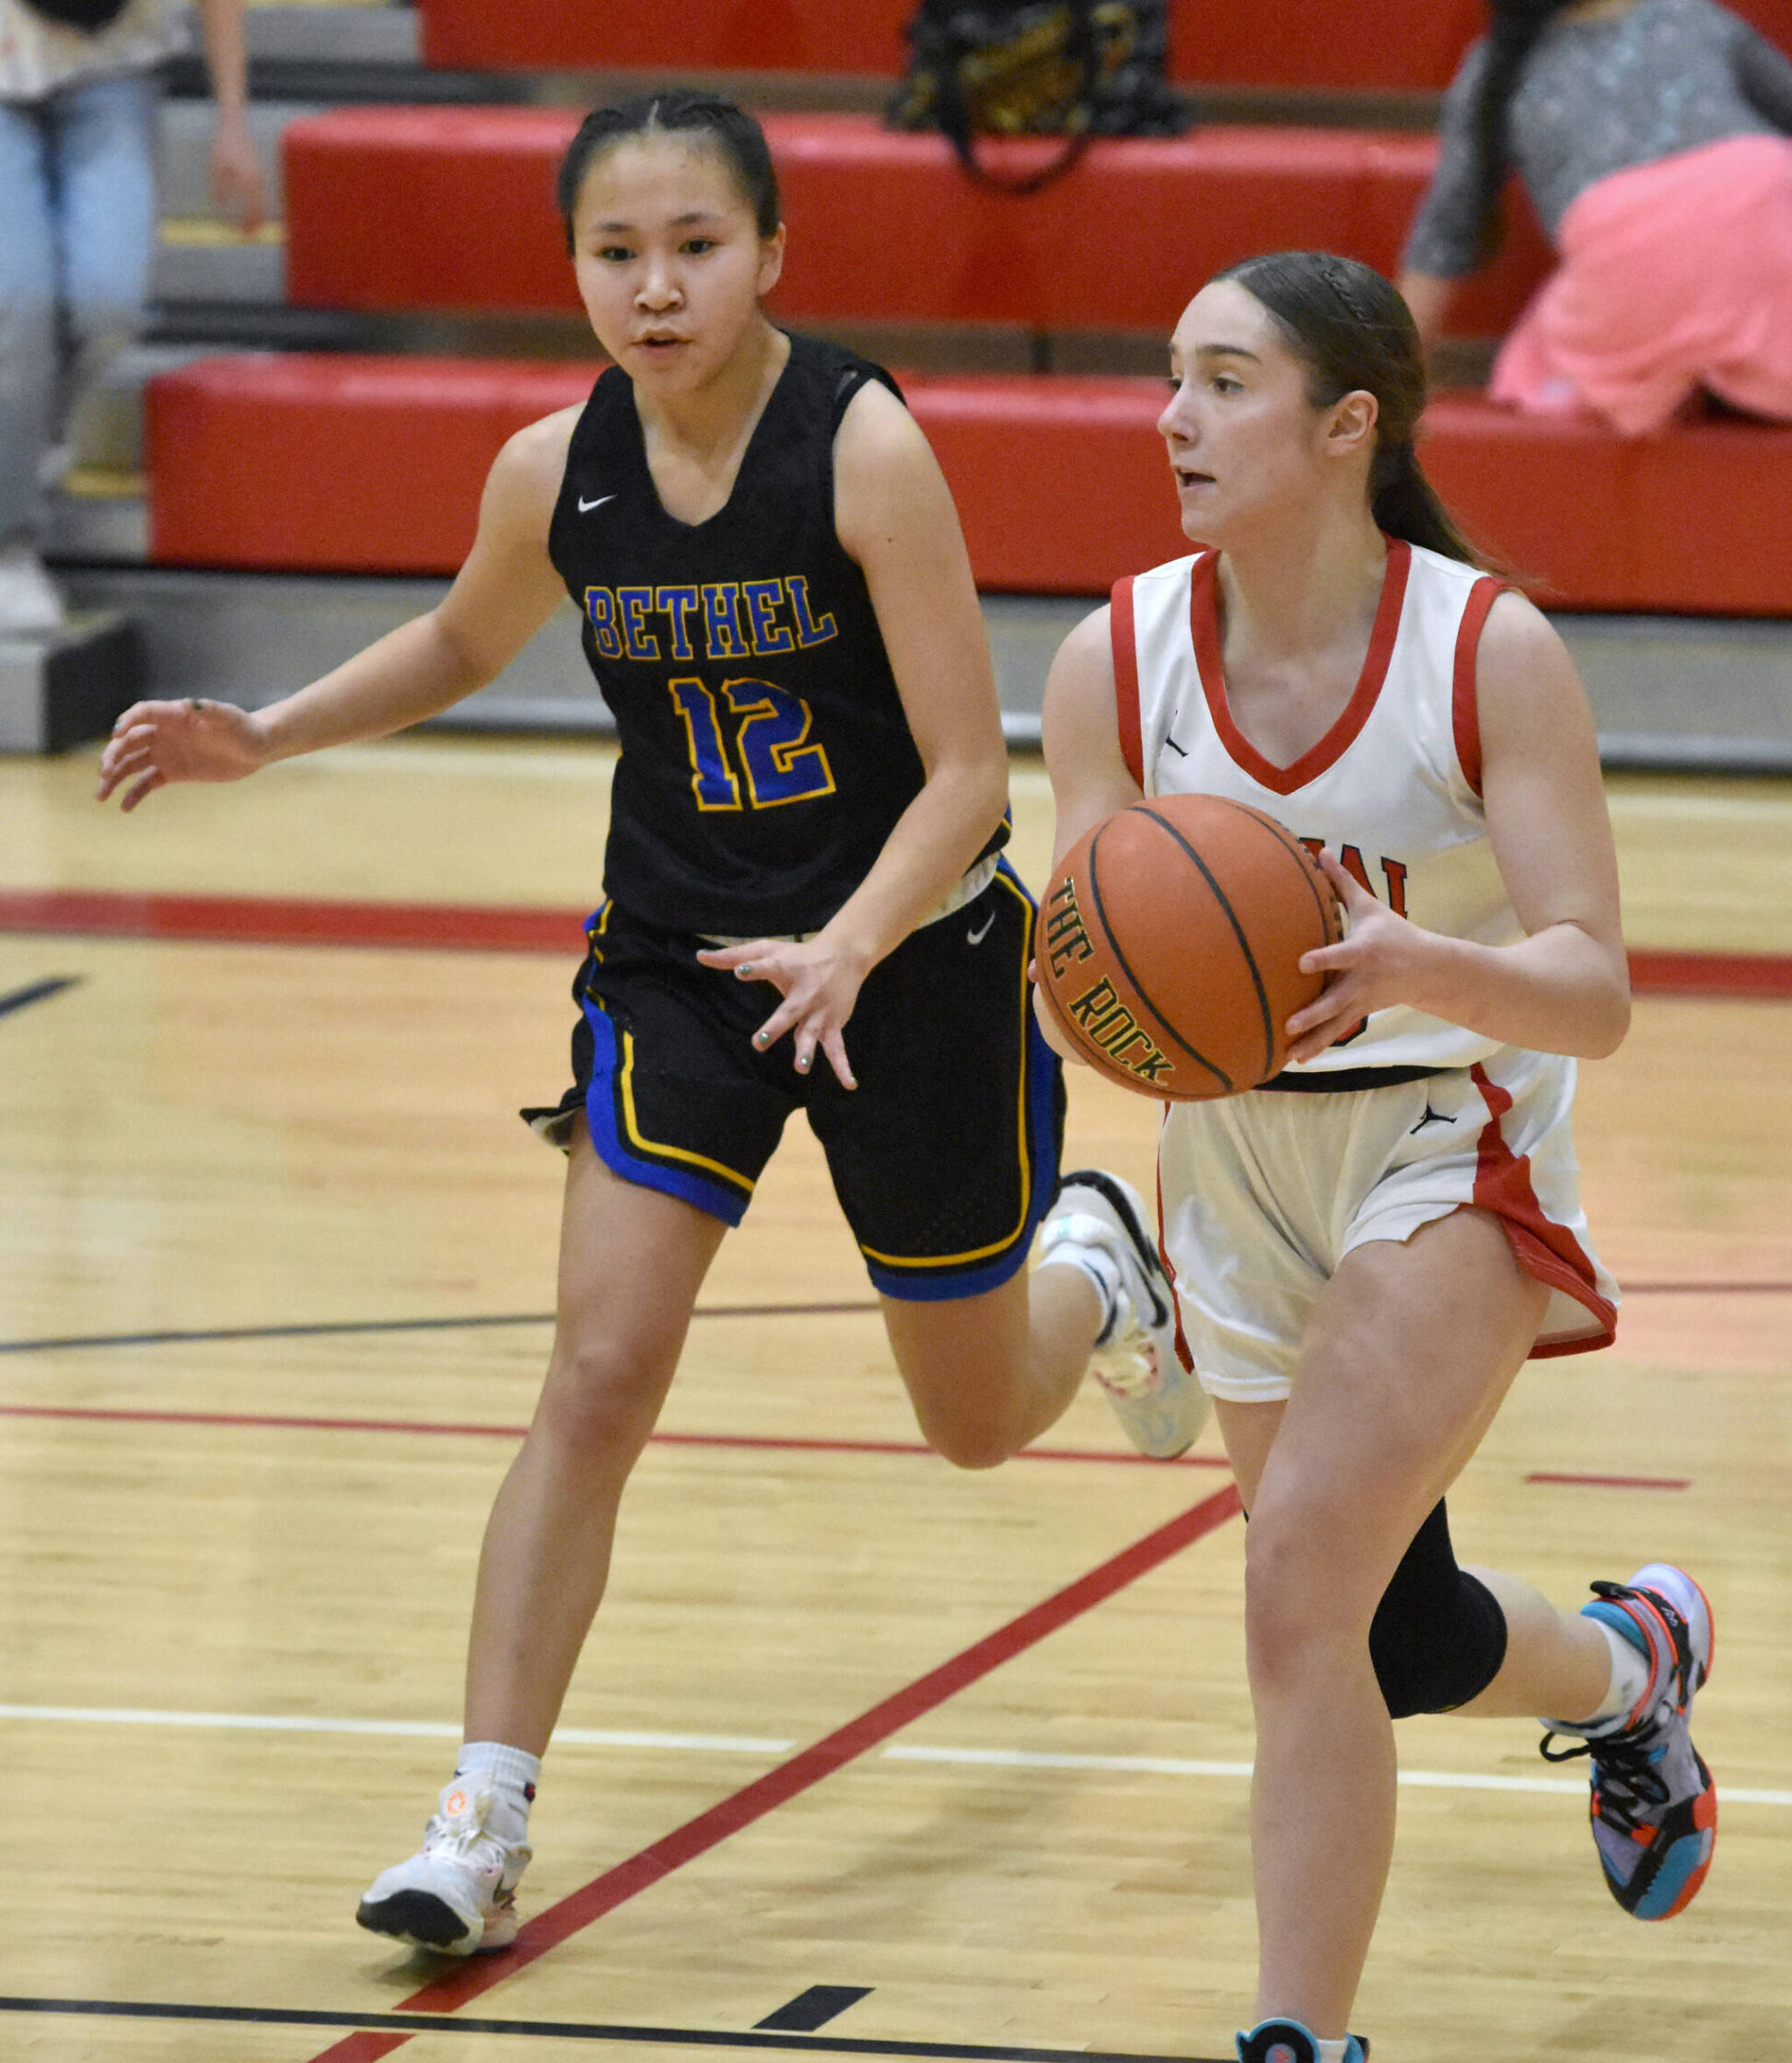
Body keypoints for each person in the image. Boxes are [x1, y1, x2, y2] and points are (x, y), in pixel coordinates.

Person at [98, 90, 1204, 1958]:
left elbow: (962, 775)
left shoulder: (860, 445)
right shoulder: (555, 467)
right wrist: (263, 735)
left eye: (695, 245)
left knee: (972, 1423)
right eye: (617, 252)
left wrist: (853, 940)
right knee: (597, 1371)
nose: (656, 285)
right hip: (679, 968)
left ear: (772, 252)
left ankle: (1094, 1269)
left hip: (908, 966)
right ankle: (479, 1809)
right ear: (576, 273)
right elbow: (462, 639)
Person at [1038, 248, 1716, 2063]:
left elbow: (1592, 989)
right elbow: (1088, 964)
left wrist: (1440, 962)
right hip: (1230, 1159)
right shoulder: (1116, 654)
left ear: (1348, 427)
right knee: (1382, 1630)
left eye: (1222, 381)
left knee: (1284, 1588)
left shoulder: (1483, 649)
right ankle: (1625, 1664)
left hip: (1448, 1133)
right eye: (1168, 376)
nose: (1173, 415)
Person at [1400, 0, 1792, 436]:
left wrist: (1388, 381)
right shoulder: (1691, 16)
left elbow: (1446, 231)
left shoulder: (1493, 70)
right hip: (1767, 212)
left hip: (1625, 275)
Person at [0, 0, 267, 634]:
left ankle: (28, 434)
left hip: (115, 65)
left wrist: (232, 121)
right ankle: (10, 545)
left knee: (109, 302)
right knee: (18, 303)